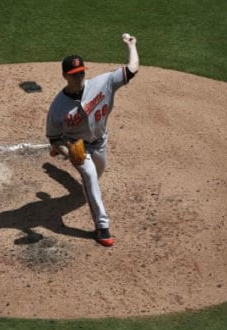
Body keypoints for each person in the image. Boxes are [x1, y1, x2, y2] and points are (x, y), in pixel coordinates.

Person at [45, 34, 139, 247]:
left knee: (97, 174)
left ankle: (60, 166)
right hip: (76, 146)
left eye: (80, 73)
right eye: (73, 74)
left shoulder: (103, 83)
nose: (78, 77)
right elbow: (53, 137)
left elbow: (132, 68)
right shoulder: (57, 107)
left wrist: (131, 45)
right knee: (88, 175)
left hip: (100, 143)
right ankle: (102, 226)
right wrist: (66, 151)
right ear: (64, 76)